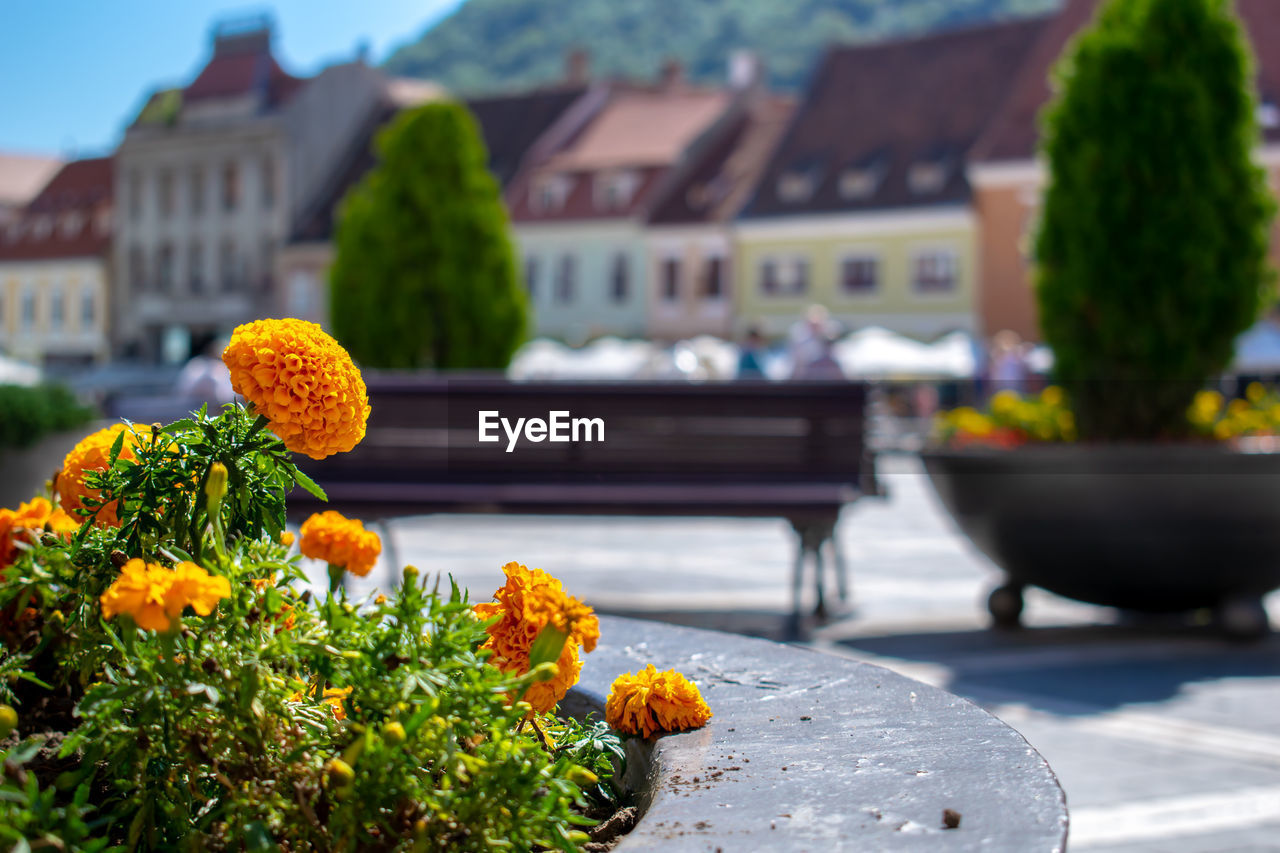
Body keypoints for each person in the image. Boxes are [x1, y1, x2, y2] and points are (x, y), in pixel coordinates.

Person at [988, 329, 1029, 394]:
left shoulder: (1018, 353)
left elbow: (1023, 366)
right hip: (1001, 382)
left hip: (1015, 381)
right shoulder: (997, 354)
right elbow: (993, 369)